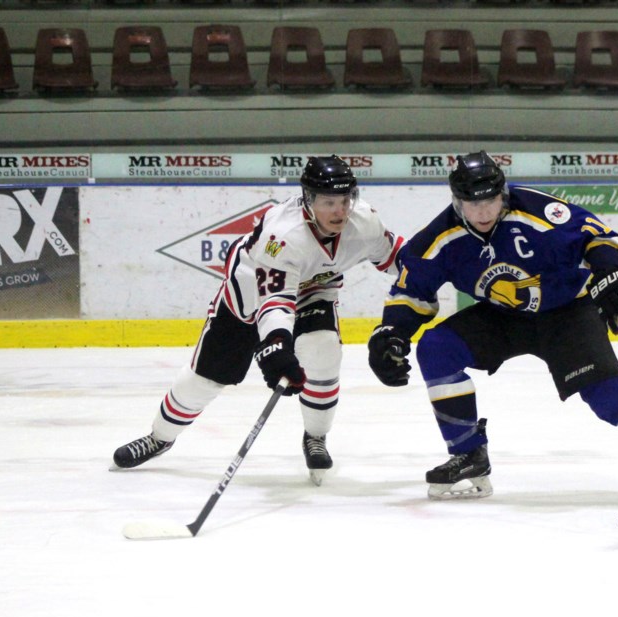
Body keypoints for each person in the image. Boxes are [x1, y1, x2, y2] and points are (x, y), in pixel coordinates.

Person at [367, 151, 618, 504]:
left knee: (608, 396)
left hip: (567, 314)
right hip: (502, 318)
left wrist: (611, 275)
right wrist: (392, 333)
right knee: (437, 348)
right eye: (471, 204)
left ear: (502, 193)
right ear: (456, 201)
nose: (482, 212)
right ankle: (468, 455)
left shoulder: (539, 211)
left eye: (490, 201)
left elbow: (597, 237)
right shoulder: (440, 236)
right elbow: (412, 291)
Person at [113, 155, 403, 485]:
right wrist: (277, 344)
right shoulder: (283, 235)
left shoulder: (363, 221)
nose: (340, 211)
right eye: (329, 202)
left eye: (345, 200)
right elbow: (275, 303)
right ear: (308, 200)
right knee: (204, 380)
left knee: (323, 350)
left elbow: (399, 259)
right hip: (249, 295)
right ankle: (160, 437)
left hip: (313, 290)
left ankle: (315, 437)